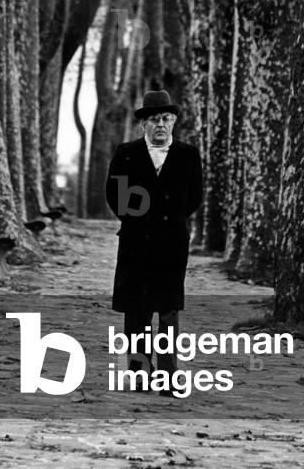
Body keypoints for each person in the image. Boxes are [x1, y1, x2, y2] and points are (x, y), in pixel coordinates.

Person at [105, 90, 203, 392]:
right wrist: (139, 219)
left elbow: (194, 198)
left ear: (173, 122)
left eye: (165, 119)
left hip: (172, 243)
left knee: (168, 311)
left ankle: (168, 377)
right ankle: (139, 376)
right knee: (137, 311)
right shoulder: (126, 153)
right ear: (143, 125)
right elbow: (116, 195)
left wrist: (168, 220)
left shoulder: (188, 155)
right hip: (136, 242)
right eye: (153, 120)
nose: (160, 125)